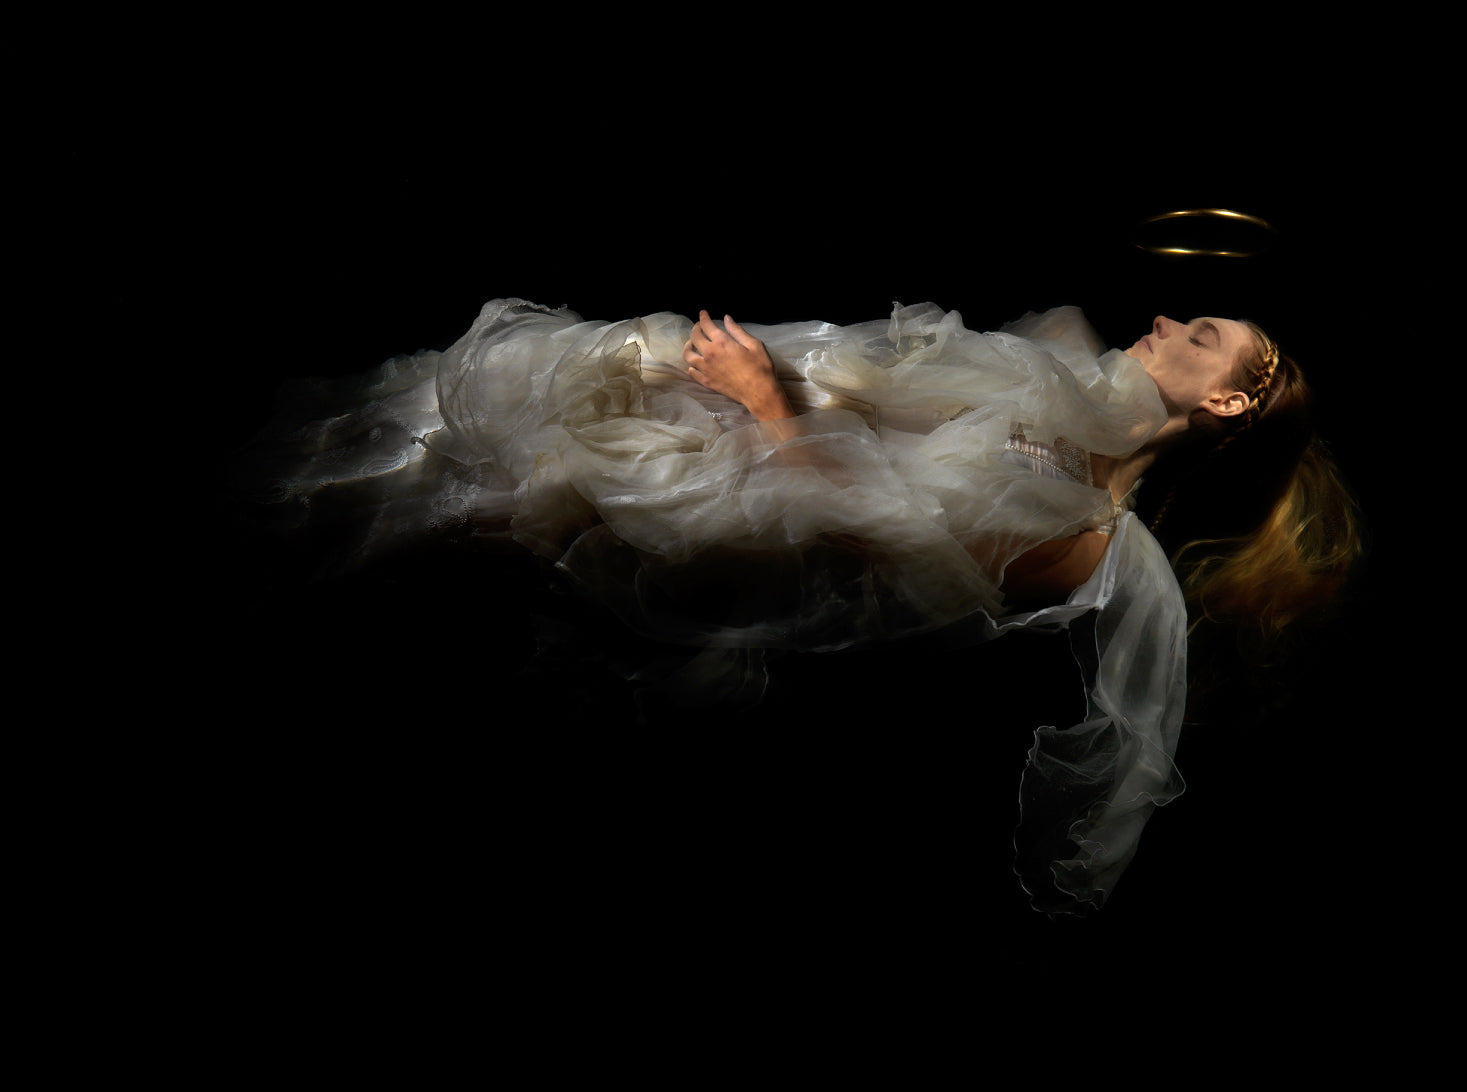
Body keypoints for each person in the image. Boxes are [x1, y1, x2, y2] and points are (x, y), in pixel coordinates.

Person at [229, 297, 1361, 913]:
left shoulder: (1089, 540)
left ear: (1219, 398)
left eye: (1201, 336)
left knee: (470, 523)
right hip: (736, 442)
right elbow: (998, 363)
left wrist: (768, 399)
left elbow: (889, 537)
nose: (1169, 319)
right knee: (442, 437)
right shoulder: (1067, 387)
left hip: (738, 521)